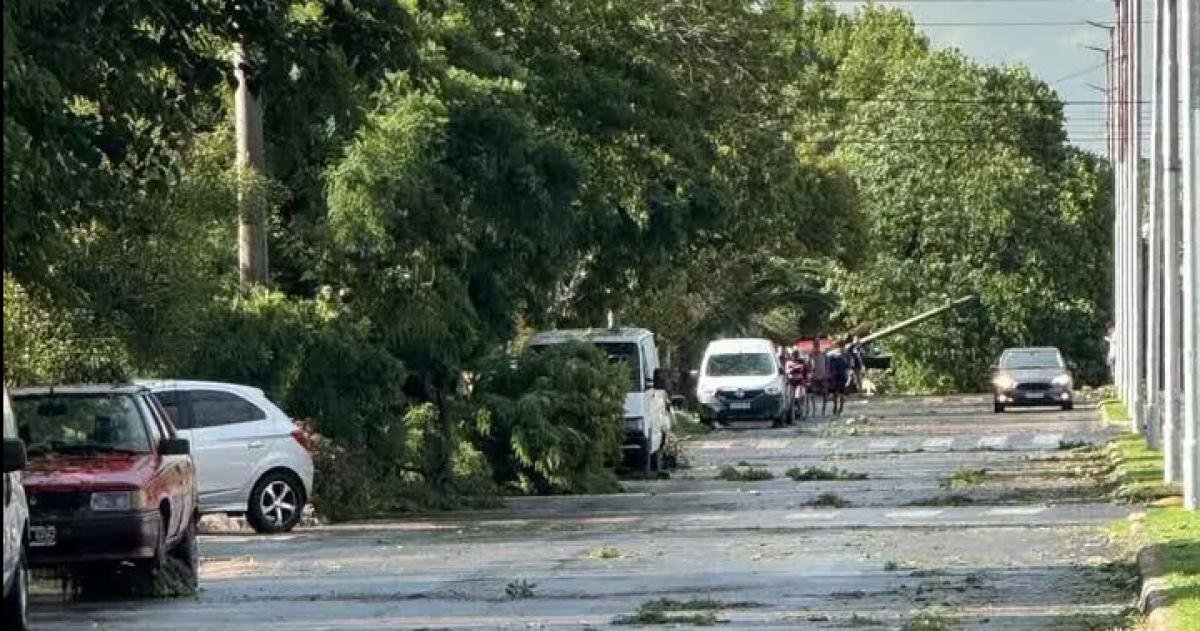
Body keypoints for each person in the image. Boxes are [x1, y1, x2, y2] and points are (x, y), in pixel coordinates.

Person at [785, 348, 811, 421]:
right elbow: (787, 372)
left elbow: (806, 371)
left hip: (800, 381)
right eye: (793, 354)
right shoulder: (788, 362)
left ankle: (801, 412)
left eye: (796, 354)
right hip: (791, 382)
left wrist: (807, 381)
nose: (795, 356)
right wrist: (793, 369)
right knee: (792, 399)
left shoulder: (802, 361)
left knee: (799, 396)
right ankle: (793, 414)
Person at [826, 343, 850, 415]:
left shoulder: (835, 357)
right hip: (838, 376)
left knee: (838, 393)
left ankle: (838, 408)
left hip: (838, 376)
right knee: (838, 393)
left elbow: (847, 367)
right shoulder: (841, 356)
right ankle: (838, 408)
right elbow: (847, 366)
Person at [809, 336, 829, 416]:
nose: (817, 344)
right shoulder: (811, 354)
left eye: (818, 342)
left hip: (822, 375)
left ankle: (823, 410)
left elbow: (827, 364)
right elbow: (809, 364)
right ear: (813, 344)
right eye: (815, 342)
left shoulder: (823, 353)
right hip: (814, 376)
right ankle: (814, 410)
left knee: (825, 393)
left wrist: (827, 372)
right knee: (812, 393)